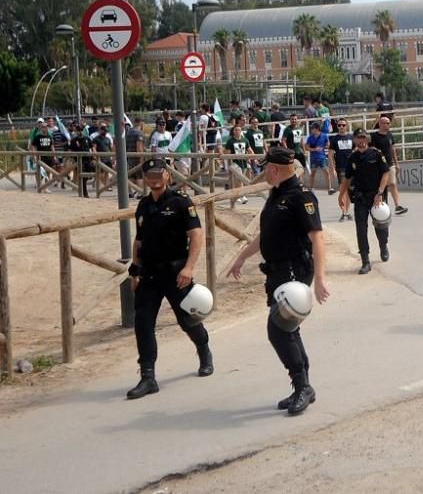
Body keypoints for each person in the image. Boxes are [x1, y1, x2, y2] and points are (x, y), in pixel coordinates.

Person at [226, 147, 329, 415]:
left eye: (265, 168)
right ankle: (303, 386)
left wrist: (319, 278)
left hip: (294, 271)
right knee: (288, 327)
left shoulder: (300, 196)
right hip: (276, 272)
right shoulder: (277, 195)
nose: (263, 173)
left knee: (278, 329)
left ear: (273, 169)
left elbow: (317, 236)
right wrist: (241, 257)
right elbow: (266, 234)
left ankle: (303, 386)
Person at [125, 157, 212, 400]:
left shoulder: (181, 202)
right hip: (150, 274)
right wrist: (135, 271)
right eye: (149, 175)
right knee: (143, 324)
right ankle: (148, 376)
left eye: (157, 174)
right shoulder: (143, 205)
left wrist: (189, 267)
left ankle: (204, 350)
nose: (153, 179)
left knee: (188, 320)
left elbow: (196, 235)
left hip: (176, 273)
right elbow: (139, 241)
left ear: (167, 175)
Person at [340, 128, 390, 274]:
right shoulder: (352, 157)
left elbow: (385, 173)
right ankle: (365, 261)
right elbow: (347, 178)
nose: (361, 141)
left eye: (363, 138)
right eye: (358, 138)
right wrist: (341, 195)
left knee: (380, 226)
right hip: (360, 197)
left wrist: (380, 192)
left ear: (367, 139)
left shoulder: (376, 154)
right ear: (354, 140)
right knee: (361, 230)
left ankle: (383, 245)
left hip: (376, 196)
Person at [370, 116, 408, 215]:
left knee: (393, 183)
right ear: (379, 124)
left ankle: (398, 206)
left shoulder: (390, 135)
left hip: (389, 163)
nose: (386, 125)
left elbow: (393, 149)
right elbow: (371, 150)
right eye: (384, 123)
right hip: (378, 165)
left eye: (388, 123)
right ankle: (380, 206)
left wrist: (397, 163)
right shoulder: (374, 136)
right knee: (381, 186)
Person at [330, 118, 354, 221]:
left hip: (351, 168)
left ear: (347, 126)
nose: (341, 127)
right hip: (340, 167)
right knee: (342, 191)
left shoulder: (352, 138)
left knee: (349, 191)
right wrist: (333, 169)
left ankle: (347, 212)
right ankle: (343, 212)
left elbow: (356, 152)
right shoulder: (334, 139)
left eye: (343, 125)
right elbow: (330, 155)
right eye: (339, 125)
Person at [224, 123, 252, 204]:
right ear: (233, 131)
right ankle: (242, 196)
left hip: (244, 162)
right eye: (235, 130)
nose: (237, 131)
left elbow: (249, 150)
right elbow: (227, 153)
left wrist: (254, 158)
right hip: (235, 163)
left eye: (239, 130)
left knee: (238, 181)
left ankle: (235, 195)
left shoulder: (245, 140)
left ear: (241, 131)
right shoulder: (230, 141)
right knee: (240, 180)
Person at [305, 122, 333, 195]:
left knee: (326, 172)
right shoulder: (310, 138)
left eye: (312, 128)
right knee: (313, 174)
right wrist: (314, 149)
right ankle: (311, 188)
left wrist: (326, 146)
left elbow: (328, 144)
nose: (311, 129)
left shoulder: (324, 136)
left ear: (317, 129)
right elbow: (306, 147)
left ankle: (329, 188)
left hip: (322, 157)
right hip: (314, 158)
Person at [69, 124, 94, 197]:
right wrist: (72, 159)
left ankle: (83, 190)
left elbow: (92, 148)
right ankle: (84, 193)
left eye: (81, 130)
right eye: (78, 130)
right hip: (79, 161)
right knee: (82, 176)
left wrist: (93, 158)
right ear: (76, 131)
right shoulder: (74, 140)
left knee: (88, 176)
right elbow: (71, 150)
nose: (80, 132)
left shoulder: (87, 139)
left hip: (88, 159)